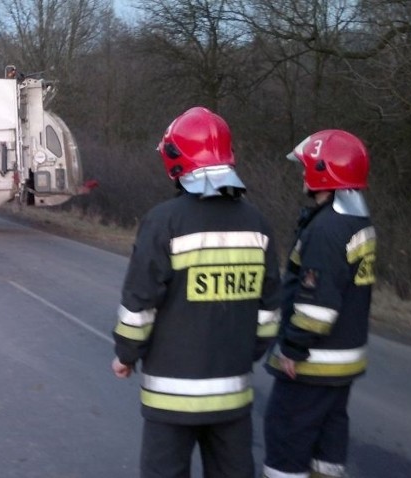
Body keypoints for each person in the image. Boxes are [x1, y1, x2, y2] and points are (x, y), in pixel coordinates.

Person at [112, 106, 281, 478]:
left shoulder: (164, 221)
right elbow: (269, 314)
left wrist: (126, 354)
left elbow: (139, 306)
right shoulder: (258, 225)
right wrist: (241, 354)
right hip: (232, 395)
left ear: (175, 160)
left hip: (171, 398)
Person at [262, 130, 375, 478]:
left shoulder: (326, 229)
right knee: (327, 447)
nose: (302, 173)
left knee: (287, 441)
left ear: (325, 171)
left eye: (308, 166)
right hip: (342, 363)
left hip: (313, 364)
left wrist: (293, 349)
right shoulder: (358, 222)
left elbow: (318, 306)